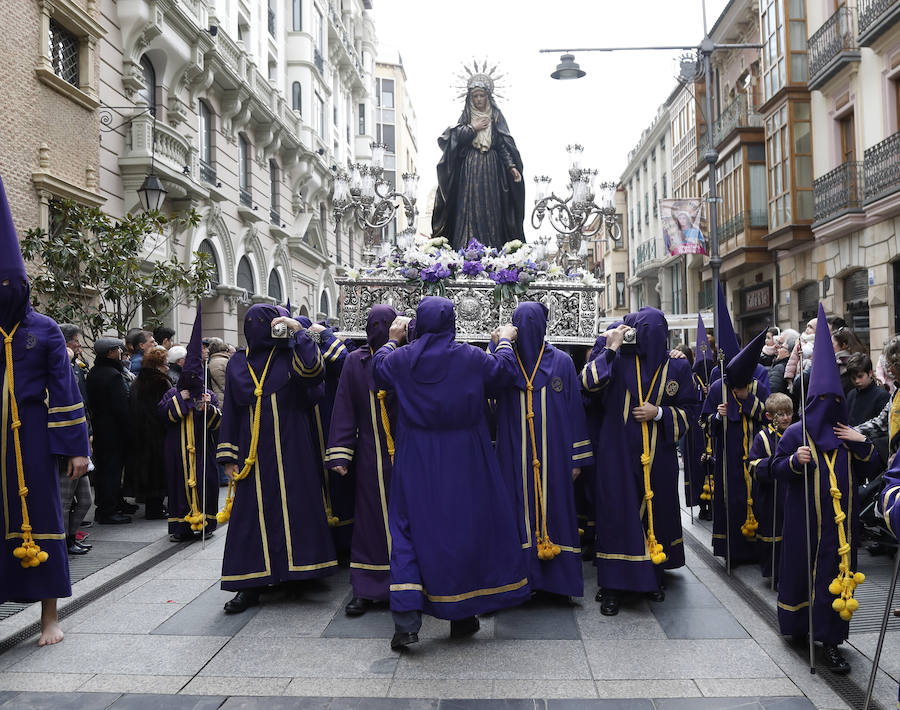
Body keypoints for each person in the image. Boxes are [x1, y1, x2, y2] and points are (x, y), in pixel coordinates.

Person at [373, 296, 530, 649]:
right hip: (466, 455)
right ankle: (462, 615)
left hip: (417, 455)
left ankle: (406, 623)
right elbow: (503, 374)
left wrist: (393, 338)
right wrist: (504, 340)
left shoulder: (402, 358)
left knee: (408, 531)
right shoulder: (469, 357)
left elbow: (377, 369)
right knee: (462, 530)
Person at [0, 175, 90, 645]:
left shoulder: (45, 329)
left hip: (32, 434)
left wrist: (76, 448)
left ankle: (50, 617)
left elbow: (67, 389)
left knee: (42, 516)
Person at [772, 304, 879, 674]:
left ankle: (832, 642)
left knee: (835, 583)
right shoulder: (794, 434)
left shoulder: (847, 436)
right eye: (822, 402)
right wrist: (792, 462)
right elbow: (774, 471)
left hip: (840, 532)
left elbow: (873, 467)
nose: (829, 409)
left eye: (835, 402)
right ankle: (801, 628)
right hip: (804, 527)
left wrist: (862, 440)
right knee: (804, 579)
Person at [216, 304, 336, 614]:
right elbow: (230, 408)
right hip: (251, 450)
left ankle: (299, 573)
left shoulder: (289, 354)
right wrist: (228, 455)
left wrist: (299, 331)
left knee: (297, 505)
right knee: (252, 515)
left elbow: (313, 372)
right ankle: (250, 584)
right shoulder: (236, 363)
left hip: (292, 445)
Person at [581, 308, 697, 616]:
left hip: (658, 455)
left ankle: (650, 578)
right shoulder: (615, 358)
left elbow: (690, 409)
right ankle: (612, 586)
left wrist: (658, 413)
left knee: (654, 515)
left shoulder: (677, 366)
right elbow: (588, 385)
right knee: (616, 514)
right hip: (615, 452)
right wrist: (609, 346)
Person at [492, 302, 592, 599]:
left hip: (556, 455)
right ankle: (521, 581)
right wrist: (496, 344)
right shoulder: (506, 361)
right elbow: (488, 383)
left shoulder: (561, 362)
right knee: (517, 514)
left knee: (556, 513)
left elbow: (575, 410)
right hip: (514, 454)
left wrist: (576, 458)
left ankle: (557, 583)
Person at [326, 305, 397, 616]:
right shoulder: (356, 361)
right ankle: (367, 587)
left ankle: (411, 584)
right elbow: (344, 406)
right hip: (369, 451)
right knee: (369, 520)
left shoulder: (406, 357)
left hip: (408, 451)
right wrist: (340, 450)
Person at [431, 71, 524, 251]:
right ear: (470, 98)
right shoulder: (466, 117)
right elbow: (453, 139)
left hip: (491, 167)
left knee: (491, 207)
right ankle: (466, 246)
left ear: (488, 97)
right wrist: (473, 128)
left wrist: (511, 166)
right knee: (469, 206)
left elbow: (501, 143)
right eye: (475, 96)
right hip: (470, 168)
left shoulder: (495, 117)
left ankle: (493, 247)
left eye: (482, 96)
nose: (478, 100)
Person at [701, 328, 770, 568]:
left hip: (755, 452)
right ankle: (732, 551)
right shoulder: (718, 386)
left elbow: (769, 417)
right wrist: (718, 417)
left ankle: (757, 551)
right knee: (731, 500)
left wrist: (747, 399)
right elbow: (704, 422)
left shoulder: (758, 387)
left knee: (757, 500)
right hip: (727, 456)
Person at [162, 304, 220, 542]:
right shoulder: (172, 392)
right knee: (178, 487)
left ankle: (206, 522)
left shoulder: (208, 393)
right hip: (177, 452)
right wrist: (181, 400)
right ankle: (181, 527)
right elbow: (162, 415)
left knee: (206, 483)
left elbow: (218, 422)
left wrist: (209, 408)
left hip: (203, 451)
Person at [746, 392, 794, 579]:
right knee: (773, 534)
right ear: (769, 416)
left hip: (791, 493)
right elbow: (751, 465)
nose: (785, 418)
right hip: (771, 495)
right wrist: (773, 463)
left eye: (788, 413)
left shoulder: (797, 433)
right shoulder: (763, 438)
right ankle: (774, 573)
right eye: (780, 414)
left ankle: (790, 573)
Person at [86, 337, 133, 524]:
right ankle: (108, 510)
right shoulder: (112, 375)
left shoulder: (95, 372)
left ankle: (114, 503)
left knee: (106, 469)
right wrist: (129, 428)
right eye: (118, 350)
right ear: (110, 352)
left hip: (102, 428)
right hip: (113, 431)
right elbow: (121, 406)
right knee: (111, 471)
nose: (121, 353)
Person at [126, 346, 170, 520]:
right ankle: (155, 509)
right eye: (165, 362)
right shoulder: (161, 381)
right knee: (157, 471)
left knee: (147, 470)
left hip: (139, 431)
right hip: (156, 431)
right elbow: (165, 407)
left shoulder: (138, 380)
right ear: (158, 364)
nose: (167, 365)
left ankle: (152, 505)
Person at [206, 338, 230, 404]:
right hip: (224, 400)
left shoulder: (210, 362)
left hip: (216, 399)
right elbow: (225, 385)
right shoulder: (226, 362)